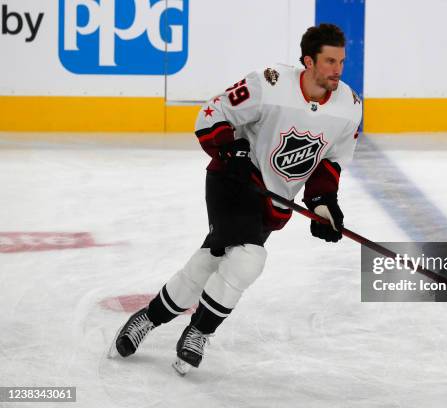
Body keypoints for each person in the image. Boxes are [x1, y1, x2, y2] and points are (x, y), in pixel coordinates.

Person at [108, 23, 362, 375]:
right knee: (247, 259)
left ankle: (148, 319)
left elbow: (330, 162)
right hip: (233, 182)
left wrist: (322, 204)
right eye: (330, 61)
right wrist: (233, 151)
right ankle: (198, 331)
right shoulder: (269, 84)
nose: (338, 69)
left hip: (274, 201)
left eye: (341, 61)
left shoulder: (349, 106)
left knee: (211, 261)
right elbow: (211, 114)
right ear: (308, 61)